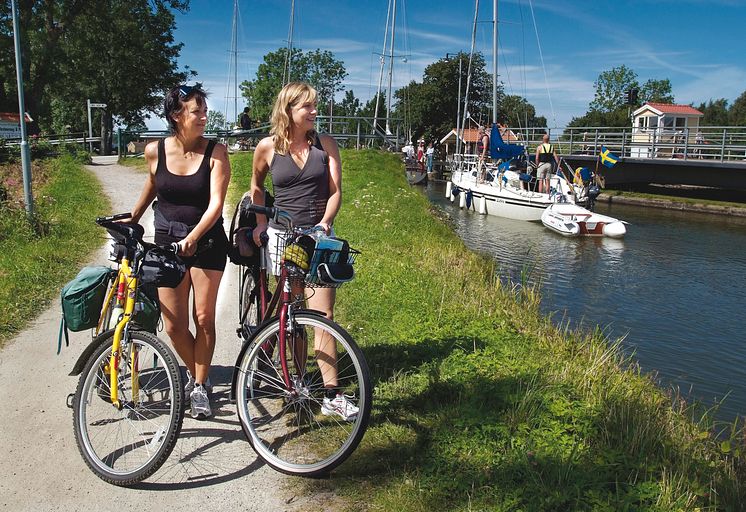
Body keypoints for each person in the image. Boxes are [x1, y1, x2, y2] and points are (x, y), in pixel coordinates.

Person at [250, 82, 358, 421]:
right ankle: (296, 382)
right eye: (307, 107)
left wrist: (325, 223)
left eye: (314, 106)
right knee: (292, 316)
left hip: (317, 237)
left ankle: (331, 393)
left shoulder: (325, 145)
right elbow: (255, 187)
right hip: (282, 237)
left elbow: (336, 191)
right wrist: (259, 223)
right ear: (289, 111)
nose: (314, 111)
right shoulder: (267, 148)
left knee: (323, 317)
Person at [129, 83, 231, 419]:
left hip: (207, 243)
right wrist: (131, 220)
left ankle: (200, 387)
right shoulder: (154, 150)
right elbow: (152, 184)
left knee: (203, 318)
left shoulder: (216, 152)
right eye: (196, 111)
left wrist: (195, 237)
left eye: (204, 110)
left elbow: (216, 204)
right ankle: (196, 370)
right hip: (166, 243)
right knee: (173, 324)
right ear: (176, 115)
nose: (203, 116)